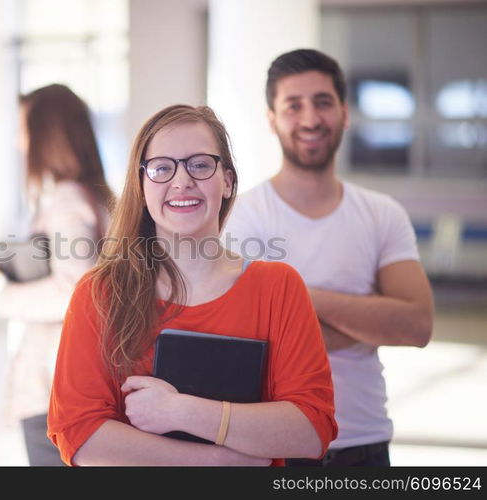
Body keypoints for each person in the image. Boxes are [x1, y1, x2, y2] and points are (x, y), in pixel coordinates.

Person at [47, 104, 337, 466]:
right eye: (161, 168)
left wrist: (180, 411)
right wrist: (222, 461)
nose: (181, 181)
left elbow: (311, 430)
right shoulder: (100, 293)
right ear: (141, 186)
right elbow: (80, 437)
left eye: (199, 165)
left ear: (228, 180)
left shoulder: (278, 287)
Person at [224, 49, 434, 466]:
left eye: (322, 102)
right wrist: (370, 313)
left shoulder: (381, 213)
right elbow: (246, 342)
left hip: (365, 442)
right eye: (293, 105)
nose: (309, 119)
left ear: (344, 111)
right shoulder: (241, 218)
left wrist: (294, 295)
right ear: (272, 119)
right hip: (275, 443)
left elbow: (416, 324)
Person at [0, 84, 113, 466]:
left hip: (54, 382)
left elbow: (73, 290)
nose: (18, 142)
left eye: (24, 129)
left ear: (45, 135)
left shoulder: (65, 202)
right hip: (82, 375)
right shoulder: (100, 198)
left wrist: (1, 293)